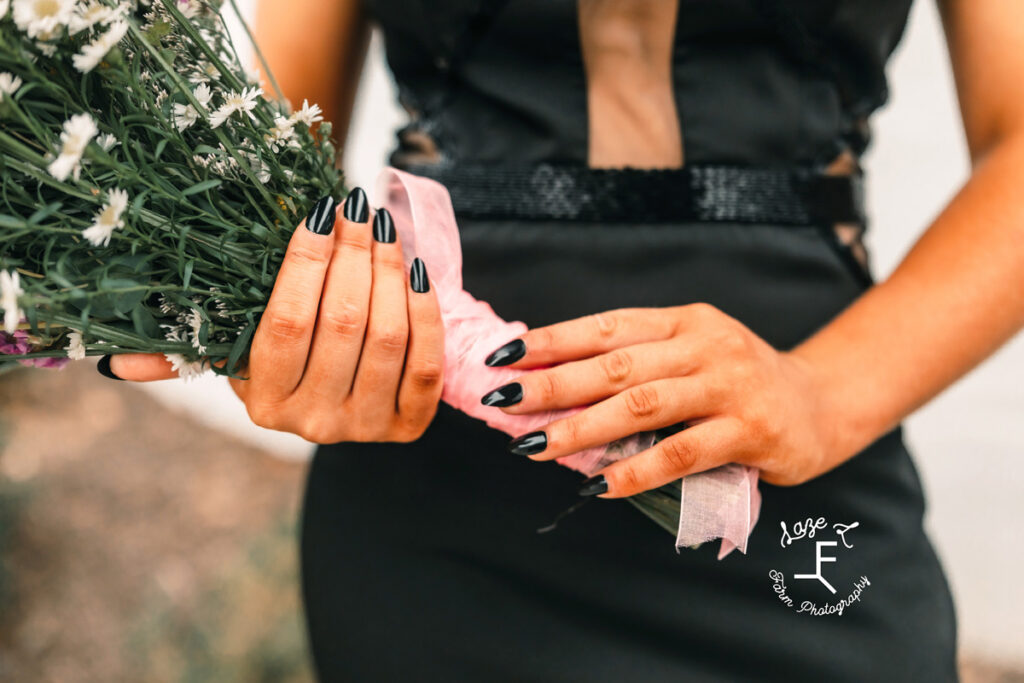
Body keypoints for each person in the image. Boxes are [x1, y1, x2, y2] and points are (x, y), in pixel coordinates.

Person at [102, 1, 1024, 680]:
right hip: (440, 501)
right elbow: (250, 163)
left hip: (796, 477)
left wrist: (823, 393)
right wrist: (277, 323)